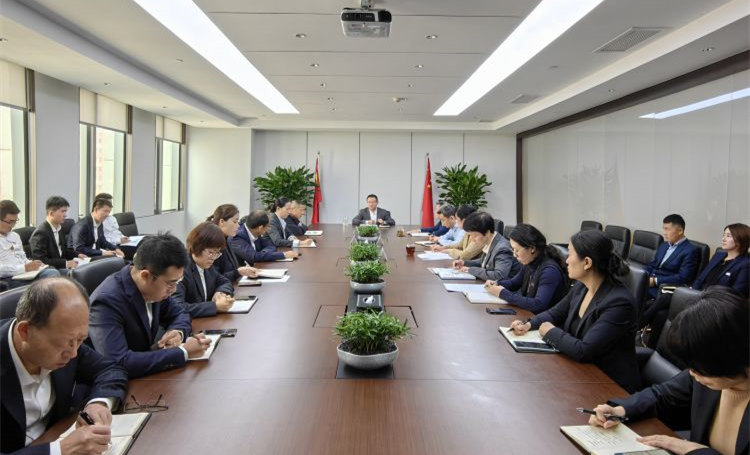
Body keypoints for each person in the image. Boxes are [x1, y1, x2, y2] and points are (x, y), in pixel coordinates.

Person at [587, 287, 749, 455]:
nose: (692, 373)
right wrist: (619, 411)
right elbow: (662, 395)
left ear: (728, 355)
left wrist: (693, 450)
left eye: (699, 367)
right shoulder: (706, 377)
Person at [1, 277, 128, 455]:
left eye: (81, 340)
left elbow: (110, 369)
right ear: (25, 331)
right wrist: (59, 450)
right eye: (65, 343)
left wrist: (98, 403)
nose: (74, 353)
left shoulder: (67, 339)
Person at [509, 229, 640, 392]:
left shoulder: (619, 303)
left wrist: (550, 332)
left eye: (570, 254)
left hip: (608, 384)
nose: (566, 260)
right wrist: (528, 324)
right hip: (579, 371)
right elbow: (555, 313)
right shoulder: (581, 287)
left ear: (587, 262)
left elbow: (583, 350)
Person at [88, 234, 212, 379]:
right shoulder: (106, 302)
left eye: (178, 282)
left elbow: (180, 312)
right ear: (145, 275)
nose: (174, 289)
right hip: (115, 385)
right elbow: (118, 362)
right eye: (171, 283)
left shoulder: (155, 287)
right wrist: (182, 352)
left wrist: (177, 332)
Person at [640, 223, 750, 347]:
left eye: (729, 236)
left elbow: (736, 295)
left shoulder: (745, 264)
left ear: (741, 239)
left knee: (665, 298)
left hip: (714, 305)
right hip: (697, 295)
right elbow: (700, 278)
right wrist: (692, 291)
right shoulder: (719, 255)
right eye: (724, 235)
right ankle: (652, 348)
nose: (723, 238)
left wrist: (700, 296)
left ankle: (638, 324)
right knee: (661, 314)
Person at [484, 224, 568, 314]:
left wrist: (502, 293)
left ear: (532, 248)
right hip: (528, 315)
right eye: (513, 250)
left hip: (545, 322)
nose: (514, 255)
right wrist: (497, 283)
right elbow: (514, 283)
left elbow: (538, 305)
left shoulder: (550, 271)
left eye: (517, 250)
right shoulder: (530, 261)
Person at [173, 222, 236, 319]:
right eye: (211, 252)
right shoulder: (181, 270)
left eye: (217, 253)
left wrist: (220, 293)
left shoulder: (206, 265)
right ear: (196, 246)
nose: (214, 258)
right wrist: (215, 307)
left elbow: (224, 281)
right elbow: (177, 307)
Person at [0, 200, 60, 289]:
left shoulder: (15, 236)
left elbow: (22, 257)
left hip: (25, 274)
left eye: (15, 221)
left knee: (52, 272)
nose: (13, 225)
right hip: (8, 279)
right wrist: (24, 268)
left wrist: (33, 264)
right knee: (51, 278)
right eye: (10, 222)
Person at [643, 214, 699, 299]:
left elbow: (683, 277)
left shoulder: (690, 250)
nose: (664, 233)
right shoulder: (664, 245)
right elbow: (653, 264)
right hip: (649, 280)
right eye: (664, 229)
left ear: (680, 231)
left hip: (663, 287)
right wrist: (642, 274)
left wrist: (655, 281)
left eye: (667, 229)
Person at [452, 211, 519, 281]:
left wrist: (471, 270)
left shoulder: (502, 248)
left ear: (487, 233)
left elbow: (499, 275)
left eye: (474, 236)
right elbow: (485, 261)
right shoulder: (491, 241)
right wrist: (465, 262)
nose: (472, 239)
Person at [30, 196, 86, 270]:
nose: (65, 215)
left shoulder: (60, 228)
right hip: (52, 270)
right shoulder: (41, 232)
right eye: (62, 211)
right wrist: (65, 263)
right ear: (51, 213)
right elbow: (41, 260)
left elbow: (64, 251)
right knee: (81, 274)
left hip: (62, 267)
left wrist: (78, 255)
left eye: (66, 211)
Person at [207, 204, 260, 281]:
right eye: (235, 222)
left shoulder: (227, 239)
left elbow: (232, 269)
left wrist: (242, 270)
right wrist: (238, 272)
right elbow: (214, 279)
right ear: (222, 222)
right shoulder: (212, 243)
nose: (238, 226)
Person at [231, 210, 299, 264]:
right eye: (268, 227)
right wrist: (283, 255)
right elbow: (253, 257)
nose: (268, 229)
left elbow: (271, 245)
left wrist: (262, 254)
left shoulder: (255, 231)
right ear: (260, 227)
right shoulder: (238, 236)